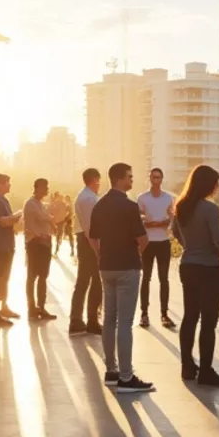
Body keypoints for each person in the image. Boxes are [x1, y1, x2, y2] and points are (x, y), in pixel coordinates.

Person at [89, 163, 153, 392]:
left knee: (109, 318)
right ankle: (127, 377)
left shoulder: (99, 205)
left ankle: (111, 370)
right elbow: (143, 240)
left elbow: (92, 237)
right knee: (125, 322)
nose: (132, 180)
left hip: (106, 267)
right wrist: (135, 254)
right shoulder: (129, 206)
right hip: (127, 268)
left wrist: (101, 255)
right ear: (119, 179)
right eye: (129, 177)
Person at [173, 165, 219, 387]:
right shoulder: (210, 209)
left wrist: (191, 246)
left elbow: (176, 232)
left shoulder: (181, 206)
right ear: (209, 184)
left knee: (190, 317)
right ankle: (206, 371)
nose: (218, 187)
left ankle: (187, 366)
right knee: (209, 321)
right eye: (216, 182)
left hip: (188, 265)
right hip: (209, 269)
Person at [136, 168, 176, 330]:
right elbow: (138, 221)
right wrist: (153, 224)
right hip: (147, 243)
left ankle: (164, 314)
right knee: (146, 278)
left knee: (164, 279)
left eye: (158, 177)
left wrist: (161, 223)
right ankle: (144, 314)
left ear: (162, 178)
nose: (156, 180)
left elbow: (172, 220)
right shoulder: (142, 198)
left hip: (163, 242)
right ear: (149, 179)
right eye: (153, 177)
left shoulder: (169, 198)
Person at [0, 174, 25, 327]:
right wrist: (19, 214)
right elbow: (3, 221)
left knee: (4, 278)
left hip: (6, 245)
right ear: (0, 184)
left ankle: (3, 307)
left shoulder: (2, 200)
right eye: (8, 182)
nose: (9, 185)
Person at [69, 168, 104, 336]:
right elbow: (91, 228)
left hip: (84, 239)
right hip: (89, 241)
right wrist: (97, 249)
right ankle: (91, 321)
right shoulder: (89, 198)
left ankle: (77, 319)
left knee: (83, 281)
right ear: (94, 180)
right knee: (95, 281)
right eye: (99, 180)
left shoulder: (84, 196)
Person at [22, 178, 58, 320]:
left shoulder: (40, 204)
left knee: (43, 276)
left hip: (44, 244)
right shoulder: (31, 204)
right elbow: (31, 225)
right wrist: (48, 223)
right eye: (45, 187)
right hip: (35, 244)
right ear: (38, 187)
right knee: (32, 277)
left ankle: (41, 307)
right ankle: (32, 308)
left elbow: (47, 218)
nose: (47, 189)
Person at [48, 192, 71, 256]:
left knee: (58, 236)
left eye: (61, 198)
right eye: (60, 197)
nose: (61, 199)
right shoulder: (54, 204)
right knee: (52, 236)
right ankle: (54, 249)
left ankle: (56, 249)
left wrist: (65, 218)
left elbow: (69, 212)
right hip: (54, 222)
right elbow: (49, 211)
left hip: (60, 223)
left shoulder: (64, 205)